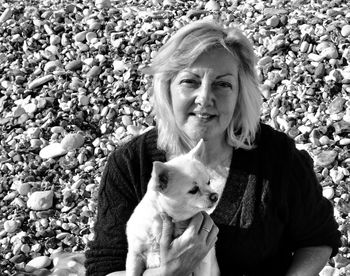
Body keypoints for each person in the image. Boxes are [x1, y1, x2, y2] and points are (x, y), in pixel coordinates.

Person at [84, 20, 341, 276]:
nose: (205, 97)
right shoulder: (131, 164)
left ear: (240, 93)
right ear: (167, 87)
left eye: (223, 84)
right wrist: (169, 272)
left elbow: (318, 238)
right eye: (190, 81)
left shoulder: (276, 156)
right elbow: (105, 267)